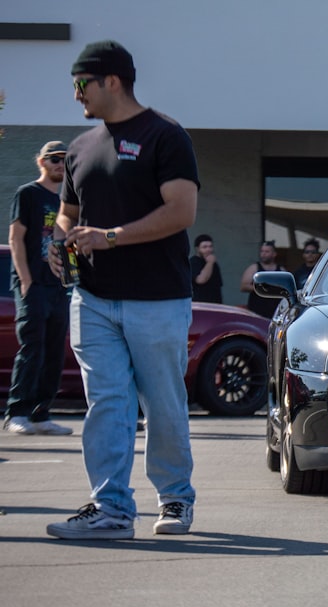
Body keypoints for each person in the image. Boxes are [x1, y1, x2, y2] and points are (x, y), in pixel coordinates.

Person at [44, 40, 200, 539]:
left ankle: (175, 498)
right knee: (107, 402)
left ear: (112, 80)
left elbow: (181, 212)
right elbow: (68, 212)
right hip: (90, 298)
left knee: (163, 403)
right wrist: (58, 237)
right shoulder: (81, 147)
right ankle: (110, 509)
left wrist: (111, 237)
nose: (75, 95)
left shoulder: (165, 135)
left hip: (156, 299)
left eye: (80, 84)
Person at [4, 141, 73, 436]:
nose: (60, 164)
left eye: (65, 160)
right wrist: (26, 280)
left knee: (55, 351)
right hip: (32, 285)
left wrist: (69, 280)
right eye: (54, 159)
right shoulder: (28, 194)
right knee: (33, 347)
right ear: (41, 162)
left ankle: (41, 414)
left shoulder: (67, 201)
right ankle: (16, 412)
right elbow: (15, 238)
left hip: (57, 286)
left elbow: (67, 242)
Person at [241, 240, 285, 316]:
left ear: (274, 254)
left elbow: (286, 289)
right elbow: (243, 286)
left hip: (275, 312)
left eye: (267, 252)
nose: (263, 254)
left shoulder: (281, 271)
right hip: (256, 312)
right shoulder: (254, 268)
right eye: (262, 251)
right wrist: (261, 288)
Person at [190, 233, 222, 303]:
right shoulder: (193, 262)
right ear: (197, 249)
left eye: (210, 246)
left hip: (215, 304)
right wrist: (209, 263)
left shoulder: (214, 263)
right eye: (204, 247)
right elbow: (201, 280)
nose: (208, 249)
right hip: (200, 305)